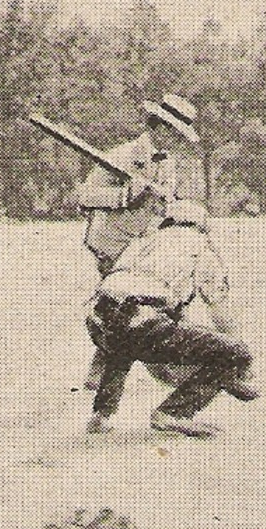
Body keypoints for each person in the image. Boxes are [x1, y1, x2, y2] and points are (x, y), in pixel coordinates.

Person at [85, 200, 257, 438]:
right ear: (203, 227)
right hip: (141, 321)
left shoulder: (141, 242)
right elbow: (220, 315)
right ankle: (173, 413)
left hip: (96, 318)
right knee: (236, 351)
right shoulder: (200, 248)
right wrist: (241, 366)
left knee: (122, 342)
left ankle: (100, 416)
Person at [76, 96, 201, 389]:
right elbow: (84, 198)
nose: (177, 140)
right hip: (112, 244)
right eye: (172, 132)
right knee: (123, 308)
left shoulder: (168, 163)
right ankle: (111, 375)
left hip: (143, 244)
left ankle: (163, 364)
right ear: (156, 127)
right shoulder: (121, 156)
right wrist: (125, 196)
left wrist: (167, 205)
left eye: (180, 135)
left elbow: (163, 202)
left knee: (154, 303)